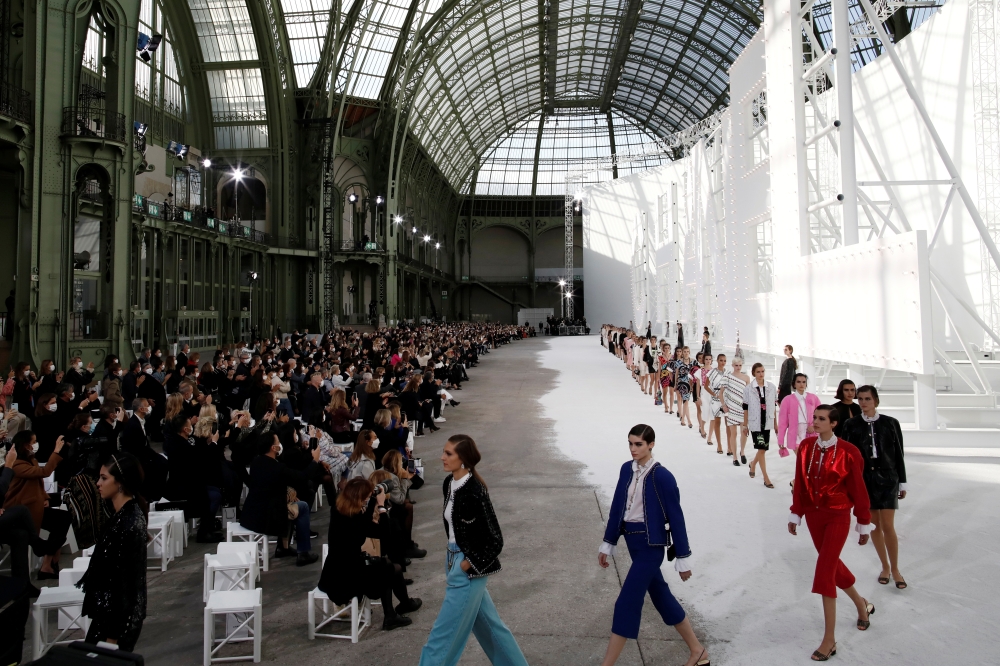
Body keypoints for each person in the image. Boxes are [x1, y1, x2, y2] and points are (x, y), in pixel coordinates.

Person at [597, 425, 708, 666]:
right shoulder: (626, 469)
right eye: (630, 443)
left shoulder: (662, 476)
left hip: (651, 547)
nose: (633, 449)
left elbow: (676, 518)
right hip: (632, 543)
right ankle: (697, 651)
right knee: (661, 596)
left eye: (638, 444)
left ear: (651, 445)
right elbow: (618, 506)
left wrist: (683, 557)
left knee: (626, 602)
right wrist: (609, 542)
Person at [419, 435, 527, 666]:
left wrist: (466, 563)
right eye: (444, 452)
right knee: (492, 630)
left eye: (449, 454)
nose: (442, 457)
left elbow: (495, 540)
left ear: (464, 459)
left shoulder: (474, 490)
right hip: (453, 561)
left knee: (442, 637)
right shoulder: (449, 483)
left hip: (465, 570)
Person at [788, 405, 874, 661]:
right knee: (833, 565)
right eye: (814, 417)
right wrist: (796, 512)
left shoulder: (849, 452)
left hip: (838, 516)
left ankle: (829, 640)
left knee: (825, 571)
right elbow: (800, 482)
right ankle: (861, 604)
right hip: (814, 517)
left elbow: (859, 489)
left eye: (821, 419)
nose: (815, 422)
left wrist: (864, 520)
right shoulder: (805, 447)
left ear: (834, 423)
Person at [318, 477, 422, 630]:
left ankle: (398, 609)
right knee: (388, 568)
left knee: (385, 565)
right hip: (346, 580)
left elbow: (361, 523)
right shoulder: (356, 518)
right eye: (366, 497)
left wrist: (372, 501)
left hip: (333, 572)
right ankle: (394, 613)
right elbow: (385, 535)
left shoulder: (338, 509)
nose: (368, 499)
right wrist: (381, 506)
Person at [77, 453, 148, 652]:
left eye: (104, 478)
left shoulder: (129, 523)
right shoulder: (122, 516)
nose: (98, 483)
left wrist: (112, 637)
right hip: (109, 617)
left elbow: (126, 583)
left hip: (116, 624)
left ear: (120, 483)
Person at [840, 385, 908, 590]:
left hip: (888, 478)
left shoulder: (891, 423)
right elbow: (846, 457)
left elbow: (899, 454)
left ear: (876, 400)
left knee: (888, 525)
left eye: (867, 399)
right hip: (864, 480)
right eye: (860, 399)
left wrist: (902, 481)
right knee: (875, 525)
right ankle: (885, 566)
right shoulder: (851, 424)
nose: (863, 402)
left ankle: (895, 569)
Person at [241, 432, 320, 565]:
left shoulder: (256, 462)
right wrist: (314, 462)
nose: (280, 444)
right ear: (273, 448)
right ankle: (303, 553)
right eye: (277, 442)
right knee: (303, 507)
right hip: (268, 516)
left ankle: (283, 547)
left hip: (251, 513)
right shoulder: (277, 468)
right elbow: (302, 477)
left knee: (289, 503)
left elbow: (270, 484)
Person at [4, 430, 69, 579]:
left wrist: (45, 497)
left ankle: (49, 562)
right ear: (26, 445)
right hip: (22, 509)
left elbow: (37, 484)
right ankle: (46, 558)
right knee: (60, 520)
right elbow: (44, 472)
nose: (36, 445)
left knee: (64, 519)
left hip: (35, 504)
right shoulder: (17, 465)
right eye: (34, 442)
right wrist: (56, 451)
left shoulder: (30, 460)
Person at [743, 363, 778, 488]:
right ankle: (766, 478)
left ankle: (753, 464)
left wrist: (775, 423)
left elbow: (774, 406)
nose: (761, 374)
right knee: (762, 449)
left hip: (767, 422)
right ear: (753, 373)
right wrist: (744, 425)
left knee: (762, 449)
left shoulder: (772, 387)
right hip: (755, 422)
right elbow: (745, 407)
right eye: (758, 372)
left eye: (762, 371)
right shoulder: (748, 389)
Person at [778, 373, 820, 454]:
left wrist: (814, 426)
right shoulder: (787, 400)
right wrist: (781, 440)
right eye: (799, 382)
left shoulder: (813, 398)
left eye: (804, 382)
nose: (801, 384)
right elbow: (782, 422)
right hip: (795, 433)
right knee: (801, 460)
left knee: (811, 460)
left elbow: (821, 415)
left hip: (811, 432)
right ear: (794, 384)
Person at [721, 356, 750, 465]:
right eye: (736, 365)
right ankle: (735, 457)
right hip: (731, 408)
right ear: (732, 365)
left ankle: (742, 452)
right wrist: (724, 405)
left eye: (740, 365)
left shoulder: (746, 378)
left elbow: (748, 394)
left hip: (743, 408)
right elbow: (721, 393)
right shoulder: (727, 376)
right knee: (733, 433)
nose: (738, 367)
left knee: (744, 431)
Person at [704, 354, 726, 454]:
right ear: (717, 360)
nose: (723, 362)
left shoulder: (728, 373)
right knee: (717, 422)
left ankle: (730, 447)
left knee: (728, 423)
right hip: (715, 399)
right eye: (721, 360)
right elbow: (706, 386)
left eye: (725, 361)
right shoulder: (712, 372)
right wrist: (714, 394)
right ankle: (719, 445)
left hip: (725, 399)